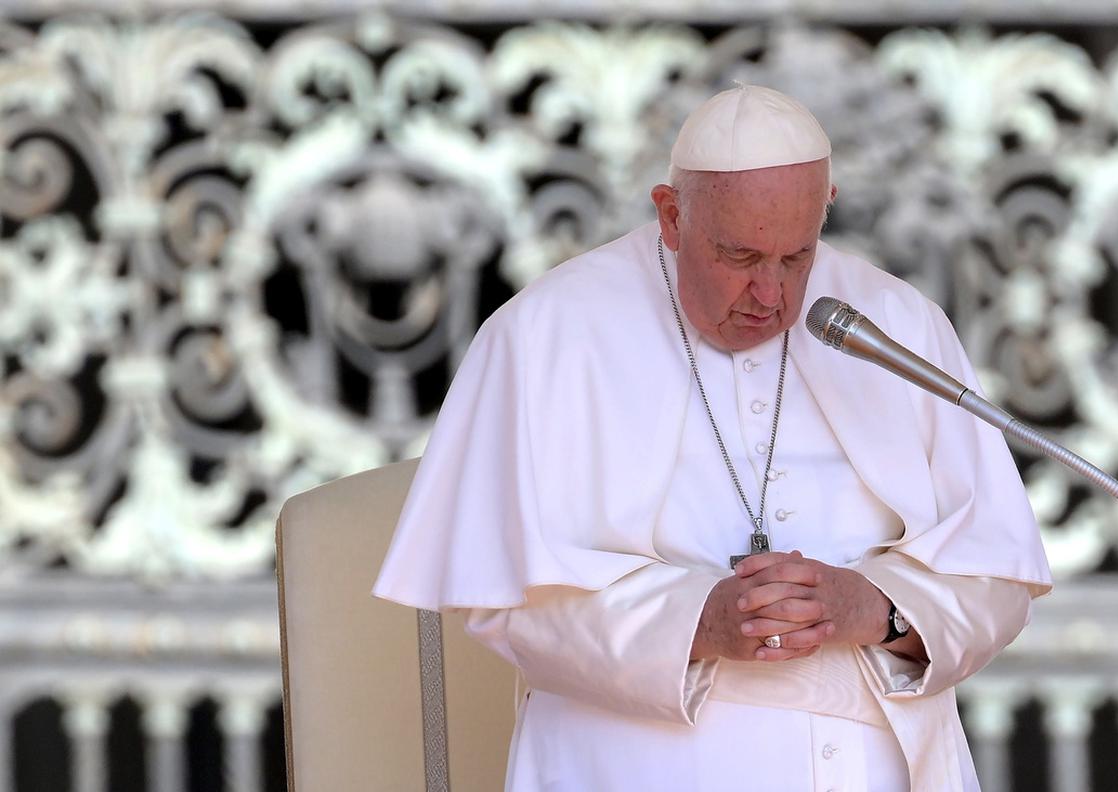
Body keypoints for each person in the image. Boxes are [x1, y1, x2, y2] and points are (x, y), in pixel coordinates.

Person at [374, 84, 1052, 791]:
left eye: (797, 258)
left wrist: (873, 609)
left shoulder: (893, 325)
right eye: (740, 258)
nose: (773, 296)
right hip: (630, 766)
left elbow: (997, 573)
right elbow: (500, 601)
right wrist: (698, 621)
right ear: (670, 216)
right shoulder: (546, 333)